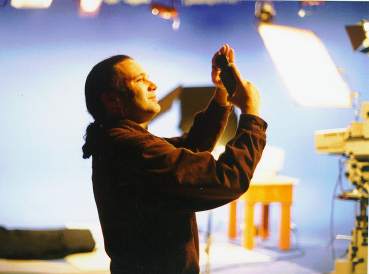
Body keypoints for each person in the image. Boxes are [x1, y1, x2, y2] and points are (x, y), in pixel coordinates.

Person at [82, 44, 267, 274]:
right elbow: (226, 179)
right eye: (140, 80)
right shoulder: (134, 148)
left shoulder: (121, 141)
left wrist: (221, 95)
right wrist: (251, 115)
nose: (153, 85)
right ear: (112, 100)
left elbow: (190, 149)